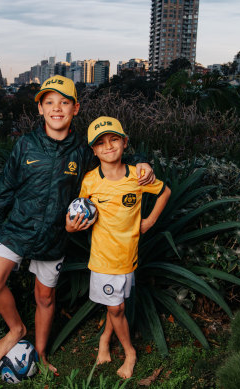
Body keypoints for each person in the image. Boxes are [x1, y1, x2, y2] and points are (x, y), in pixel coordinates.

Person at [0, 76, 155, 373]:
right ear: (40, 108)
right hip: (18, 228)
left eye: (64, 102)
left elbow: (111, 159)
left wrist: (141, 162)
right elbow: (5, 189)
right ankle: (16, 329)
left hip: (54, 235)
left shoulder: (83, 151)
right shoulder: (25, 145)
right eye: (49, 102)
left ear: (75, 108)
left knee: (44, 297)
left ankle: (41, 354)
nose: (56, 108)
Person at [66, 116, 171, 379]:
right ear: (93, 150)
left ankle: (104, 338)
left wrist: (148, 222)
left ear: (125, 142)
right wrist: (70, 226)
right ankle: (130, 352)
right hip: (102, 258)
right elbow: (76, 214)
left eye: (114, 139)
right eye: (100, 143)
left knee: (117, 304)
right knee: (115, 308)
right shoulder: (90, 181)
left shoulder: (138, 175)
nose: (108, 146)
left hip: (129, 255)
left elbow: (165, 192)